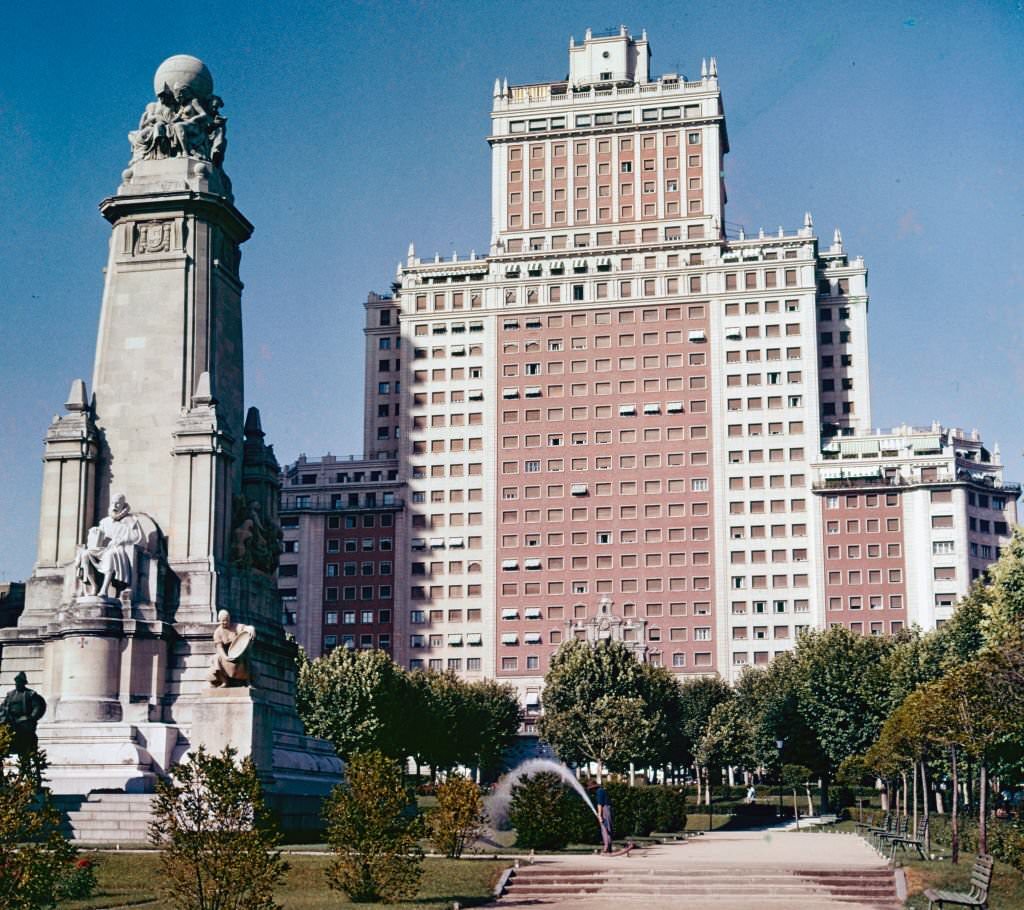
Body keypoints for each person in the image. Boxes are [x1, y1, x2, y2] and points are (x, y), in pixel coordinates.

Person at [75, 493, 144, 598]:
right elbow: (98, 538)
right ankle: (94, 586)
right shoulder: (105, 521)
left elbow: (137, 537)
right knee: (85, 554)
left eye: (118, 504)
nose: (115, 506)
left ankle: (104, 589)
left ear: (123, 505)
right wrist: (95, 533)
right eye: (113, 503)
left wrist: (121, 540)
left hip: (118, 549)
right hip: (102, 549)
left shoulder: (130, 520)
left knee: (110, 555)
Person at [1, 672, 47, 759]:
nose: (18, 684)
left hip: (24, 722)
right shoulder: (10, 694)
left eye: (20, 682)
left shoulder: (30, 694)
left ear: (24, 683)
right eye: (17, 682)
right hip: (11, 720)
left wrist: (30, 717)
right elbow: (3, 707)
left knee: (25, 740)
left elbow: (37, 707)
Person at [207, 610, 256, 687]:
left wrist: (251, 628)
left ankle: (248, 681)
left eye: (227, 620)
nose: (225, 622)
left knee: (246, 657)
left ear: (229, 620)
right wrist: (226, 657)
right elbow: (219, 647)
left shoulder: (235, 626)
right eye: (223, 621)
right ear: (219, 621)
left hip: (238, 653)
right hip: (225, 655)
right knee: (216, 658)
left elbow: (245, 628)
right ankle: (224, 681)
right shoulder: (217, 632)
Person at [595, 785, 613, 853]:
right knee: (608, 827)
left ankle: (607, 847)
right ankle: (609, 847)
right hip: (607, 808)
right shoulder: (602, 790)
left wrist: (599, 815)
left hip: (605, 809)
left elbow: (600, 804)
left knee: (605, 828)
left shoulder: (599, 792)